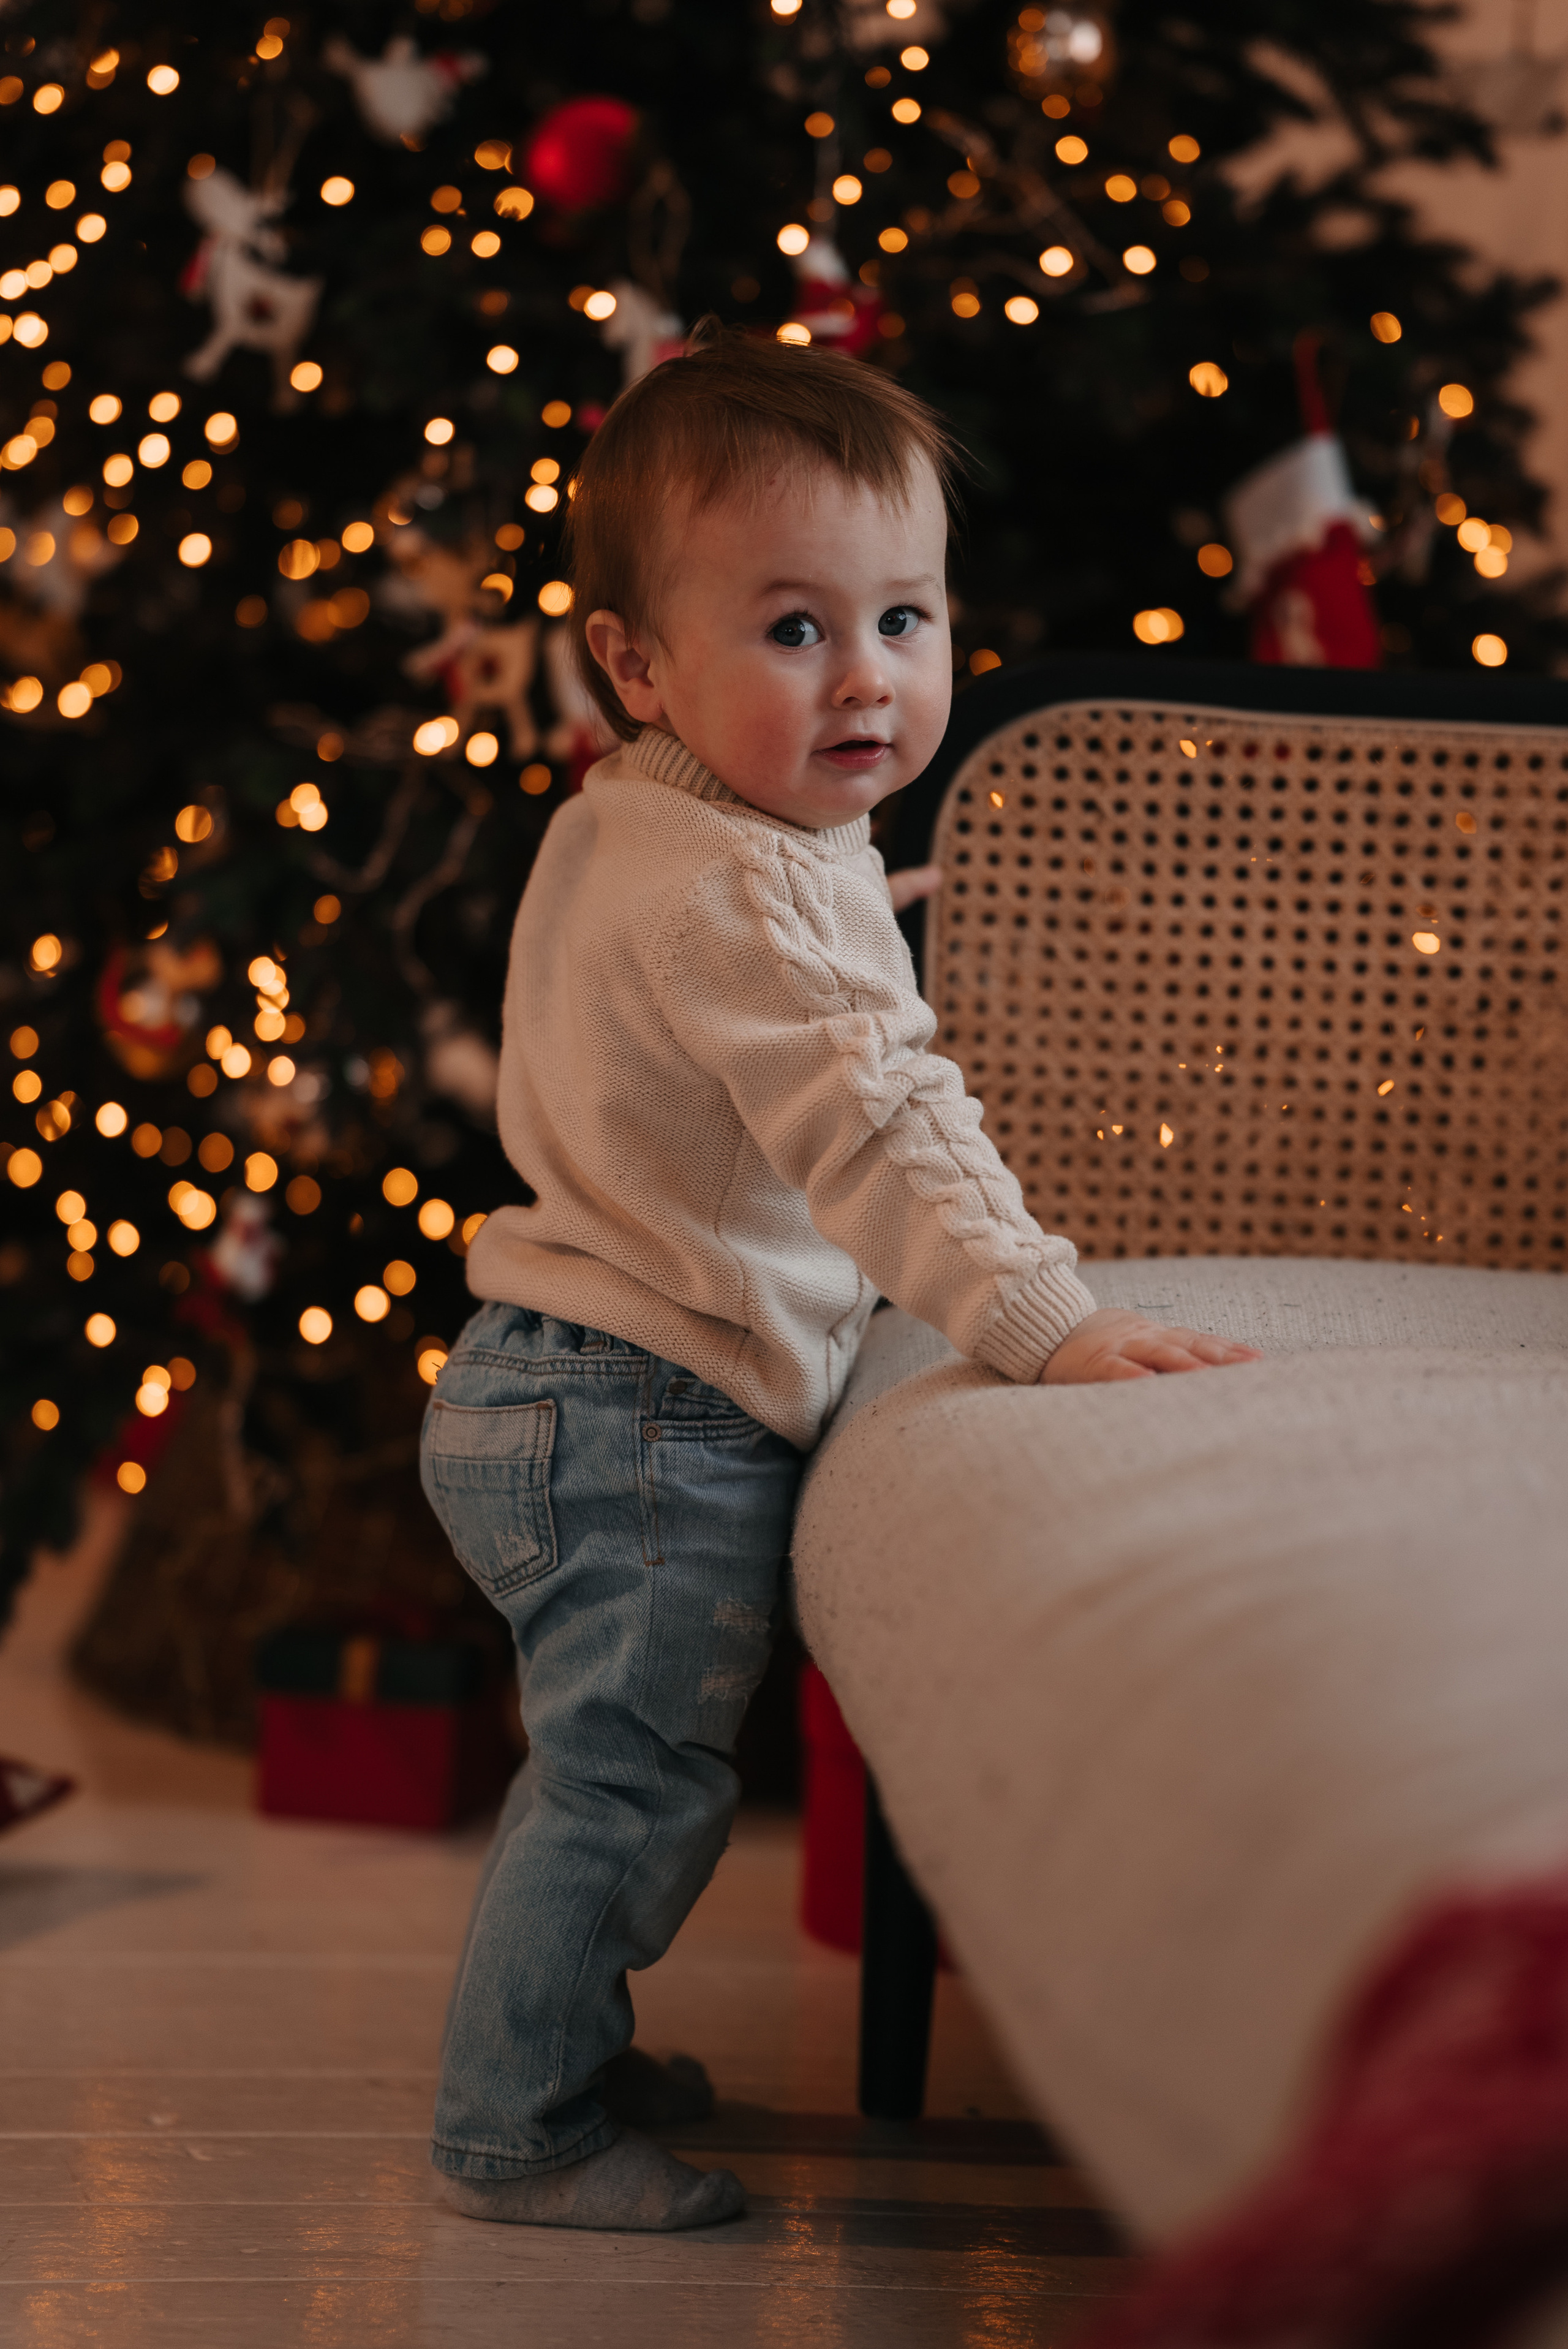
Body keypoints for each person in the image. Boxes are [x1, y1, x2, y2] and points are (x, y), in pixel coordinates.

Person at [420, 329, 1261, 2235]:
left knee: (620, 1773)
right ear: (634, 661)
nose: (870, 676)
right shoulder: (743, 880)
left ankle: (564, 2040)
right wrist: (1045, 1317)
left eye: (906, 615)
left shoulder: (659, 814)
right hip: (642, 1415)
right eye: (794, 630)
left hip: (555, 1386)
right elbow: (877, 1120)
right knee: (628, 1789)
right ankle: (517, 2123)